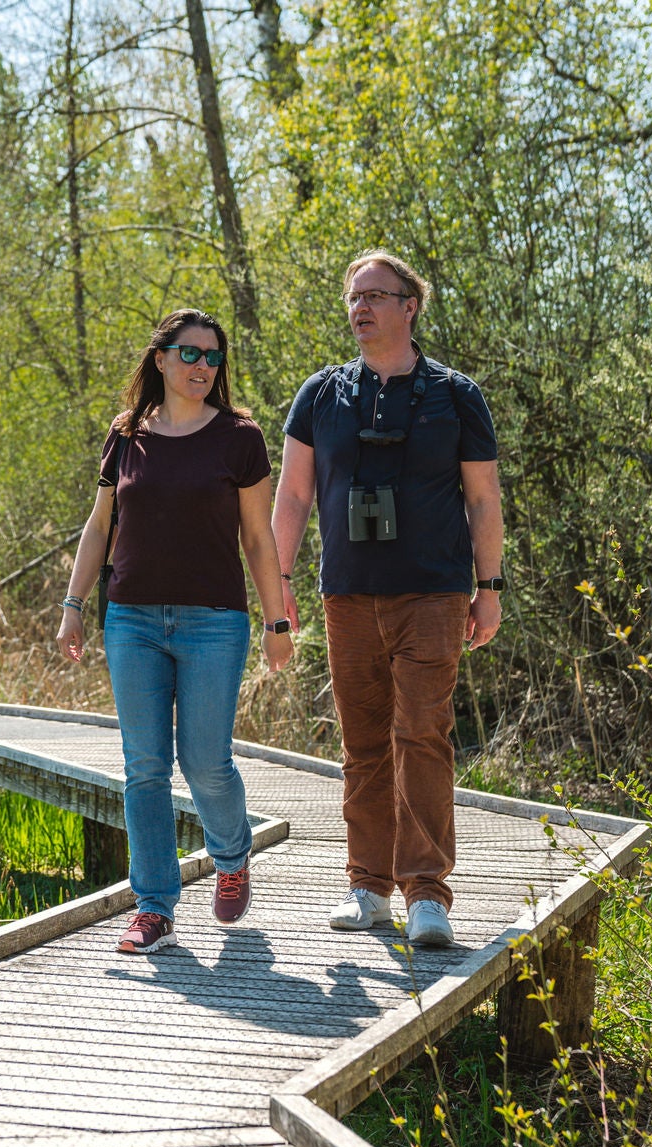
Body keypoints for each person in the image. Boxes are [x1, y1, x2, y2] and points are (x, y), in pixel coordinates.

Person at [269, 251, 505, 947]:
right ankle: (368, 887)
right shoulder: (320, 394)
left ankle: (427, 896)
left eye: (376, 294)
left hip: (433, 591)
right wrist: (277, 585)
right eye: (353, 295)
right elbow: (293, 494)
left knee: (422, 736)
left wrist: (489, 588)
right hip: (346, 595)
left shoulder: (456, 395)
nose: (360, 306)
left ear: (411, 305)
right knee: (364, 744)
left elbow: (484, 497)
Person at [55, 309, 295, 954]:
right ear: (159, 358)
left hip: (213, 623)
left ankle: (232, 854)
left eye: (213, 358)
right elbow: (99, 525)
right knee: (144, 768)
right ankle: (154, 907)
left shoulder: (240, 437)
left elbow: (257, 537)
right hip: (130, 619)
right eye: (190, 354)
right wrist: (74, 604)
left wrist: (276, 622)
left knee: (205, 762)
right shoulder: (125, 433)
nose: (202, 368)